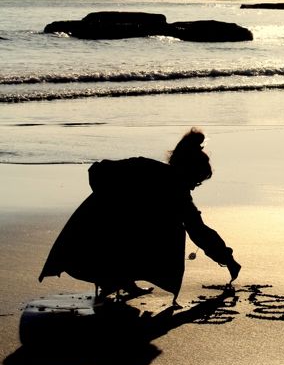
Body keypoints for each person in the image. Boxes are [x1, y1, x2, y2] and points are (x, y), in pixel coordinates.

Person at [38, 129, 240, 305]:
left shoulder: (146, 166)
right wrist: (227, 259)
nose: (195, 187)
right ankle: (115, 276)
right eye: (196, 181)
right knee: (172, 229)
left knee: (154, 223)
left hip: (102, 226)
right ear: (188, 171)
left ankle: (120, 278)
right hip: (97, 230)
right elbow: (198, 230)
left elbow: (98, 169)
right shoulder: (177, 191)